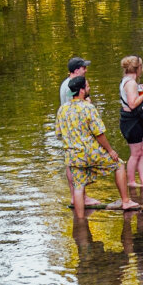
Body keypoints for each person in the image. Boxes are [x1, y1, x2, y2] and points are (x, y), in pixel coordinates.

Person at [55, 76, 139, 217]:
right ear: (81, 90)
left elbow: (59, 134)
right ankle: (126, 201)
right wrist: (110, 150)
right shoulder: (88, 107)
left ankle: (81, 221)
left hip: (73, 156)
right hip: (90, 153)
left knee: (78, 186)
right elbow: (99, 133)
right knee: (119, 165)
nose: (89, 88)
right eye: (87, 86)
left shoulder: (62, 109)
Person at [59, 58, 90, 203]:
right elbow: (74, 106)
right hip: (73, 127)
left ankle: (77, 196)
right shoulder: (70, 87)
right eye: (84, 68)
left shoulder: (67, 83)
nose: (86, 70)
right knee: (73, 162)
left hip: (68, 127)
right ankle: (78, 197)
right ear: (77, 70)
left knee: (70, 161)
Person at [119, 55, 143, 189]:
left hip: (140, 117)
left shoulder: (131, 81)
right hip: (131, 119)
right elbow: (132, 104)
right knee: (135, 153)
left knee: (142, 150)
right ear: (138, 68)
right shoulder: (130, 83)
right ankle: (131, 181)